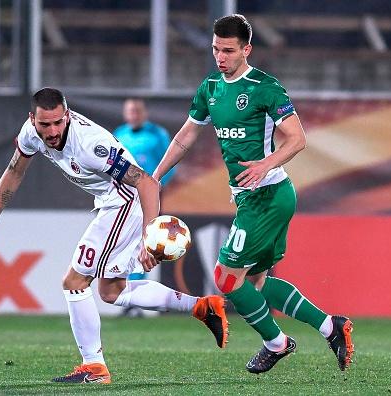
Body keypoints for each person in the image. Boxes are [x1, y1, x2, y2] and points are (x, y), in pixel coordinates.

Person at [0, 88, 228, 385]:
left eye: (58, 123)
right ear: (33, 119)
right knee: (112, 291)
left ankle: (94, 367)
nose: (52, 131)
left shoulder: (90, 145)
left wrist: (148, 234)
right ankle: (201, 306)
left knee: (74, 281)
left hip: (125, 201)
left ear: (67, 115)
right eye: (45, 125)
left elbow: (146, 183)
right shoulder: (30, 133)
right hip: (110, 202)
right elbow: (14, 172)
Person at [152, 14, 354, 375]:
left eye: (228, 50)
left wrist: (265, 163)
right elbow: (185, 137)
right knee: (256, 282)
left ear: (247, 49)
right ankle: (331, 327)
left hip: (267, 194)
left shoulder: (265, 87)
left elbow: (297, 138)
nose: (221, 57)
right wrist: (155, 177)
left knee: (226, 278)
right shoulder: (211, 87)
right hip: (254, 197)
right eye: (215, 49)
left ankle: (276, 343)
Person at [113, 98, 176, 317]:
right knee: (125, 244)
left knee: (146, 243)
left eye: (137, 110)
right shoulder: (119, 134)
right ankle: (127, 294)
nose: (134, 114)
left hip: (149, 198)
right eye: (130, 110)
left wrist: (157, 188)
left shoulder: (157, 135)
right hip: (124, 199)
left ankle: (138, 297)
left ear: (144, 112)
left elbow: (170, 164)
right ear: (125, 113)